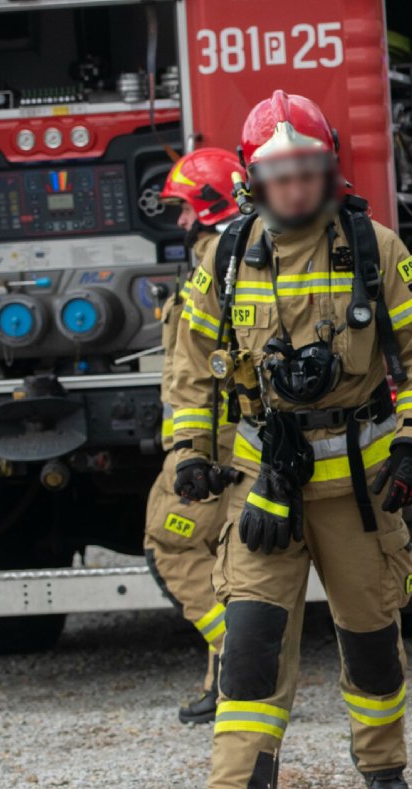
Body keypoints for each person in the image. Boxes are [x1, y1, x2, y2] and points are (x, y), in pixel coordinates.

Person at [168, 91, 412, 789]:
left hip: (359, 490)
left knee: (369, 631)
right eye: (280, 173)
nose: (296, 186)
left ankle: (385, 774)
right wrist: (190, 453)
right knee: (252, 639)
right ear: (255, 181)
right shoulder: (225, 260)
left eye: (308, 170)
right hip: (267, 488)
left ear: (328, 172)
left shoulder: (373, 247)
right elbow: (191, 370)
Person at [144, 147, 242, 724]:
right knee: (216, 558)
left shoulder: (214, 260)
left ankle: (239, 658)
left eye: (185, 207)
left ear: (209, 205)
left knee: (172, 542)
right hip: (225, 436)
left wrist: (189, 448)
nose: (179, 220)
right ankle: (225, 678)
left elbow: (192, 366)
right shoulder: (242, 251)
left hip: (210, 439)